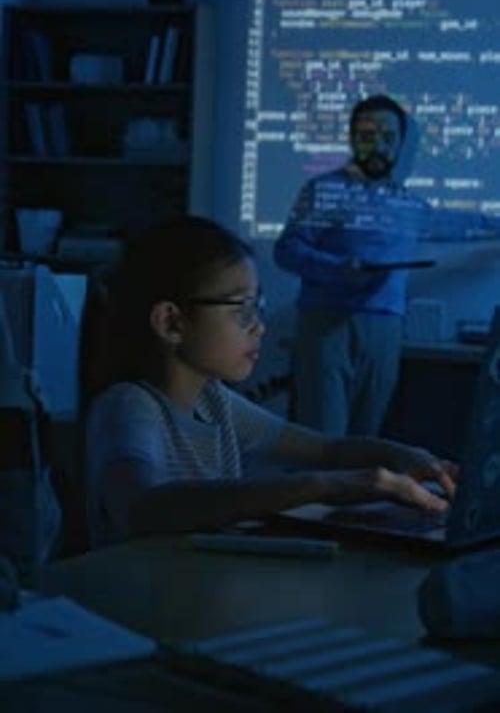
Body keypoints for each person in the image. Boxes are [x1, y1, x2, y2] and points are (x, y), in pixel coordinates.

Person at [81, 214, 456, 549]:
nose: (258, 326)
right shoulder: (129, 406)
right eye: (241, 309)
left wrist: (406, 458)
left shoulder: (213, 400)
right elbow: (143, 507)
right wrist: (320, 486)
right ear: (171, 323)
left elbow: (327, 451)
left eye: (257, 307)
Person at [273, 93, 500, 438]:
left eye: (387, 138)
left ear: (399, 144)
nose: (378, 146)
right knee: (323, 437)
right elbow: (286, 250)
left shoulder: (408, 205)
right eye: (367, 137)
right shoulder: (323, 190)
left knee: (368, 437)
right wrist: (337, 267)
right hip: (326, 325)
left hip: (385, 329)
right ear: (352, 139)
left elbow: (458, 223)